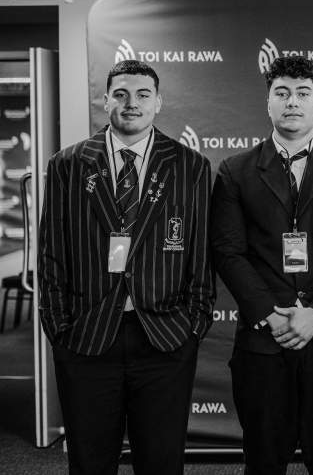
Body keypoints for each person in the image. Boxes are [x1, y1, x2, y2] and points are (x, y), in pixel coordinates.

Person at [38, 59, 215, 474]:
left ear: (158, 102)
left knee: (161, 462)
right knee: (90, 462)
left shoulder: (190, 165)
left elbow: (202, 254)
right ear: (105, 101)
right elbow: (51, 253)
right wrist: (59, 327)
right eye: (120, 94)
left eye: (142, 94)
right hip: (85, 336)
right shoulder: (67, 164)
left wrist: (194, 325)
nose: (131, 103)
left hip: (165, 338)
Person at [210, 55, 313, 475]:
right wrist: (271, 314)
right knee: (263, 462)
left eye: (303, 93)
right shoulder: (235, 171)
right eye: (282, 93)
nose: (292, 102)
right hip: (264, 341)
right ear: (268, 102)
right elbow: (228, 252)